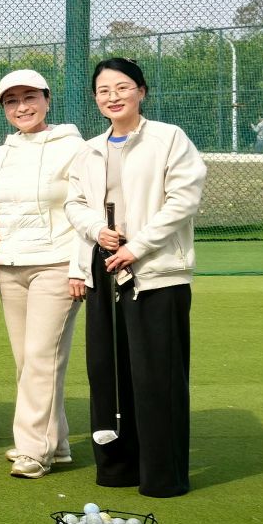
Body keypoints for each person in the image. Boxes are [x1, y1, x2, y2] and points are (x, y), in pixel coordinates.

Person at [67, 58, 204, 498]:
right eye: (104, 90)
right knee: (107, 372)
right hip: (104, 269)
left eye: (123, 87)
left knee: (157, 376)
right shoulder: (89, 149)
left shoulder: (169, 138)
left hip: (157, 274)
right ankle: (117, 468)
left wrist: (136, 247)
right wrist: (97, 230)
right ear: (95, 98)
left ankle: (162, 476)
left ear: (141, 91)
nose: (113, 97)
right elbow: (74, 203)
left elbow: (183, 200)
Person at [0, 69, 87, 479]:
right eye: (11, 101)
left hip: (57, 264)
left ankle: (33, 449)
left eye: (29, 98)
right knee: (29, 362)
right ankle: (57, 443)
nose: (21, 107)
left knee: (42, 358)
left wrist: (79, 267)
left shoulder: (75, 148)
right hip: (10, 266)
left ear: (47, 99)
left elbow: (86, 208)